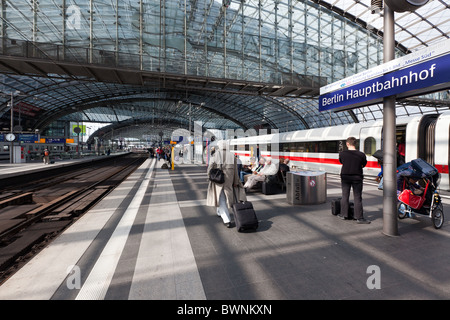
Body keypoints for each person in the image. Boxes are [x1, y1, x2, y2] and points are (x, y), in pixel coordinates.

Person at [206, 140, 246, 228]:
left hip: (218, 179)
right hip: (229, 180)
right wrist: (236, 181)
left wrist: (209, 176)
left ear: (219, 146)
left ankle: (227, 220)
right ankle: (219, 212)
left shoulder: (215, 154)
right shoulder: (232, 155)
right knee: (226, 196)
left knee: (221, 198)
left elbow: (210, 167)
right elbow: (235, 170)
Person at [338, 137, 370, 224]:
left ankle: (343, 214)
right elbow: (364, 164)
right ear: (355, 144)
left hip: (345, 177)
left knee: (345, 196)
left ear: (347, 144)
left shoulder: (342, 154)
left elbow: (342, 162)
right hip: (357, 178)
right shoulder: (361, 154)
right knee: (357, 197)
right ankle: (359, 217)